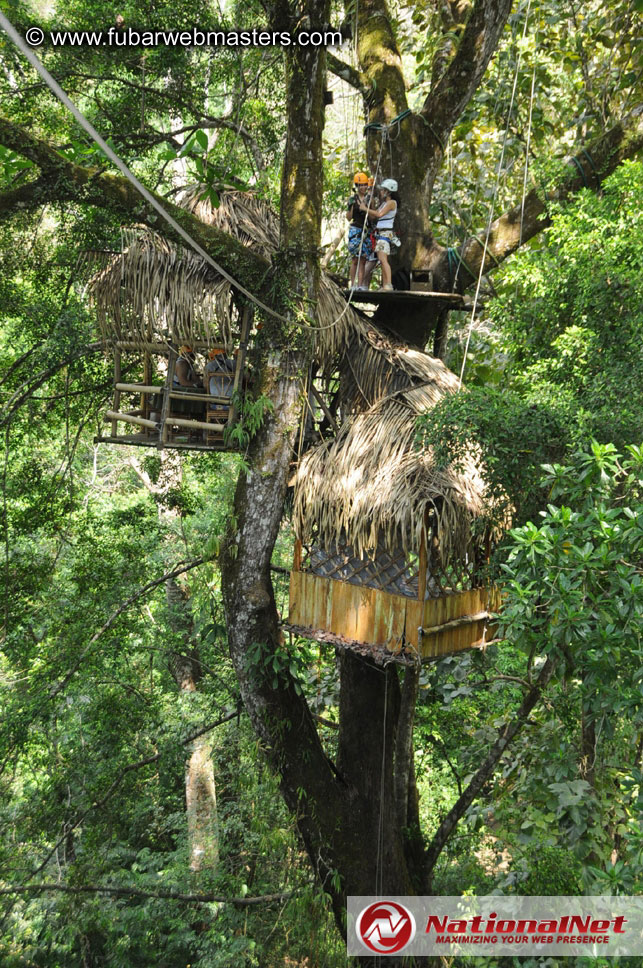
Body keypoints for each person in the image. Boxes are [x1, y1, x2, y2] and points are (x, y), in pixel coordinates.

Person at [359, 177, 399, 291]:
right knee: (382, 260)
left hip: (385, 234)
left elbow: (379, 214)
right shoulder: (385, 203)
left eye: (383, 190)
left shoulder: (391, 203)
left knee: (383, 260)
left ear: (388, 191)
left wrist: (365, 209)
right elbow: (375, 214)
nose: (381, 192)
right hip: (381, 234)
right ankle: (386, 285)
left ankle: (388, 284)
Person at [345, 171, 375, 289]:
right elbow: (348, 218)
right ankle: (353, 285)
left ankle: (360, 285)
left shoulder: (370, 199)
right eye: (360, 185)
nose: (363, 187)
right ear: (357, 186)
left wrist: (366, 208)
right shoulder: (353, 199)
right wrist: (352, 206)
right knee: (355, 259)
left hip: (366, 230)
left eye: (364, 184)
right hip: (355, 230)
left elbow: (373, 217)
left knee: (363, 260)